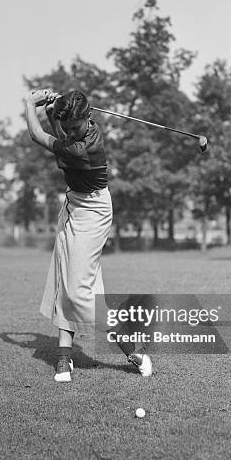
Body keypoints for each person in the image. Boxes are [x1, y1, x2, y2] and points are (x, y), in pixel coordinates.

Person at [25, 88, 153, 382]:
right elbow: (60, 125)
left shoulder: (83, 150)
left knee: (78, 290)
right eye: (67, 127)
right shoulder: (83, 128)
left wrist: (31, 103)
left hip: (93, 211)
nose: (70, 132)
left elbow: (37, 134)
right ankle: (64, 358)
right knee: (64, 277)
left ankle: (131, 347)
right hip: (73, 205)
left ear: (88, 118)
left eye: (75, 128)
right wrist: (55, 105)